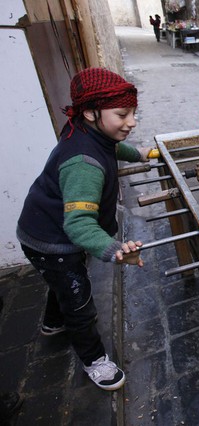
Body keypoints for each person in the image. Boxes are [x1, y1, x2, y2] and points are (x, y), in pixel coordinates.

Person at [16, 68, 152, 391]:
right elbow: (78, 225)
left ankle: (52, 321)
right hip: (52, 240)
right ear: (91, 112)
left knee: (62, 282)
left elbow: (114, 148)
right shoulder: (83, 163)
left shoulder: (88, 130)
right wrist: (114, 249)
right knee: (79, 301)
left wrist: (140, 155)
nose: (131, 121)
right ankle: (95, 361)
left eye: (133, 112)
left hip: (42, 228)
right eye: (122, 114)